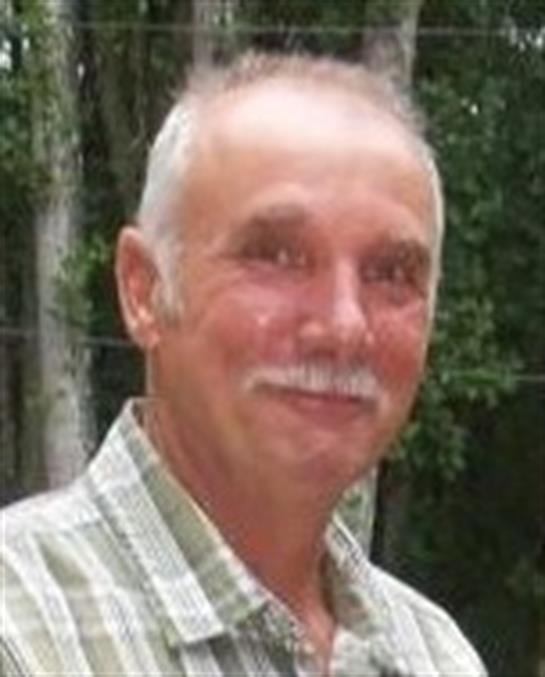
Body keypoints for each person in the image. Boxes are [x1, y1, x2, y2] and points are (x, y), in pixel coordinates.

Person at [0, 52, 487, 676]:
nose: (343, 326)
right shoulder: (24, 628)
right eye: (277, 257)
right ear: (144, 290)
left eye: (391, 273)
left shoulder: (435, 655)